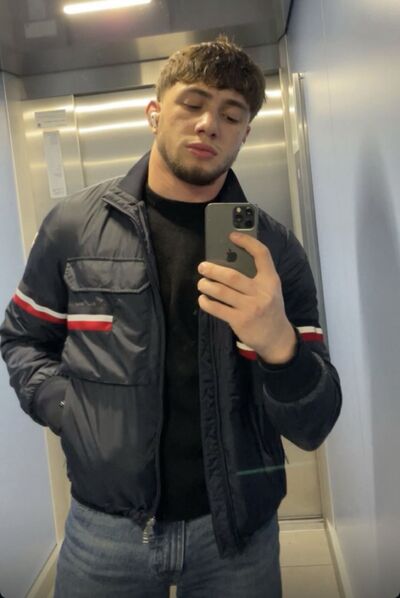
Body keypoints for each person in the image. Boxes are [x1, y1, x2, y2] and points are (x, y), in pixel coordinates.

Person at [0, 37, 341, 597]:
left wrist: (280, 346)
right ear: (155, 112)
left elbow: (314, 423)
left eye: (231, 115)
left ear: (245, 133)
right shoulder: (72, 227)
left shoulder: (274, 251)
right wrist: (65, 407)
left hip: (237, 532)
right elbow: (23, 338)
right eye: (193, 103)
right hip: (105, 528)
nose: (209, 124)